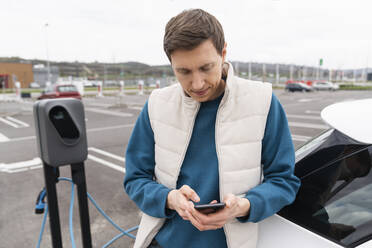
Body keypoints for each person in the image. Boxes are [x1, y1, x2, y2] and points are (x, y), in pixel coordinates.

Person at [124, 8, 301, 248]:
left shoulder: (263, 101)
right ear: (171, 64)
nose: (196, 83)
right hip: (163, 242)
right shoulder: (157, 104)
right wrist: (169, 199)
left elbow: (284, 181)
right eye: (183, 72)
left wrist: (244, 206)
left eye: (206, 67)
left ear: (223, 52)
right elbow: (135, 179)